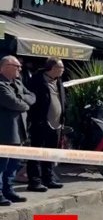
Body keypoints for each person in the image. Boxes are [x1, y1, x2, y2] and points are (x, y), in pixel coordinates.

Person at [26, 57, 66, 192]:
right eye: (61, 67)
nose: (63, 70)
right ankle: (35, 182)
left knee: (50, 153)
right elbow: (32, 102)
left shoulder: (58, 81)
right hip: (41, 123)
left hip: (57, 124)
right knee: (36, 153)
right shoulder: (37, 80)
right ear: (53, 68)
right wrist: (36, 119)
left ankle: (48, 178)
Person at [0, 56, 36, 205]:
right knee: (2, 165)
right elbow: (13, 103)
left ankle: (8, 191)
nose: (20, 69)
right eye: (17, 66)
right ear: (6, 66)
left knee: (13, 164)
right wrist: (25, 104)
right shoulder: (1, 85)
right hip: (5, 132)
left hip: (20, 132)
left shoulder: (18, 82)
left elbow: (32, 97)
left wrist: (21, 98)